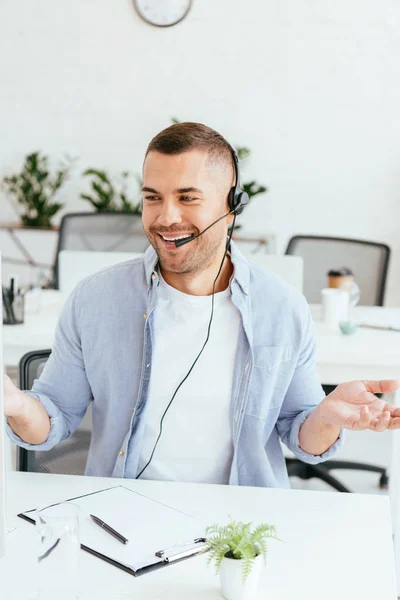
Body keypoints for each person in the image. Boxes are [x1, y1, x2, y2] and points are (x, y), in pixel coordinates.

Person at [4, 122, 400, 487]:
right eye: (152, 198)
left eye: (187, 198)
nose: (166, 217)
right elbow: (51, 423)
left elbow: (303, 439)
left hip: (238, 533)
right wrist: (17, 404)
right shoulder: (95, 300)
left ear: (232, 207)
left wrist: (328, 416)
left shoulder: (281, 307)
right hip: (121, 518)